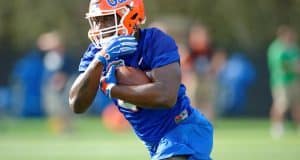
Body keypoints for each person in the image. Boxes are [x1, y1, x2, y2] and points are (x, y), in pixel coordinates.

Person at [69, 0, 213, 159]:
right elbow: (77, 104)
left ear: (129, 16)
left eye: (107, 18)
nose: (99, 27)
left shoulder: (155, 41)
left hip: (182, 129)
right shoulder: (97, 53)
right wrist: (99, 61)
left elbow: (166, 97)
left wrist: (113, 90)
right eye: (96, 21)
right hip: (155, 142)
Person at [268, 25, 300, 138]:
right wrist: (294, 68)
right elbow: (283, 65)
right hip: (281, 82)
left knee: (297, 105)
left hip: (295, 81)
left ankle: (297, 128)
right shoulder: (276, 48)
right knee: (281, 105)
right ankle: (277, 127)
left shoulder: (294, 47)